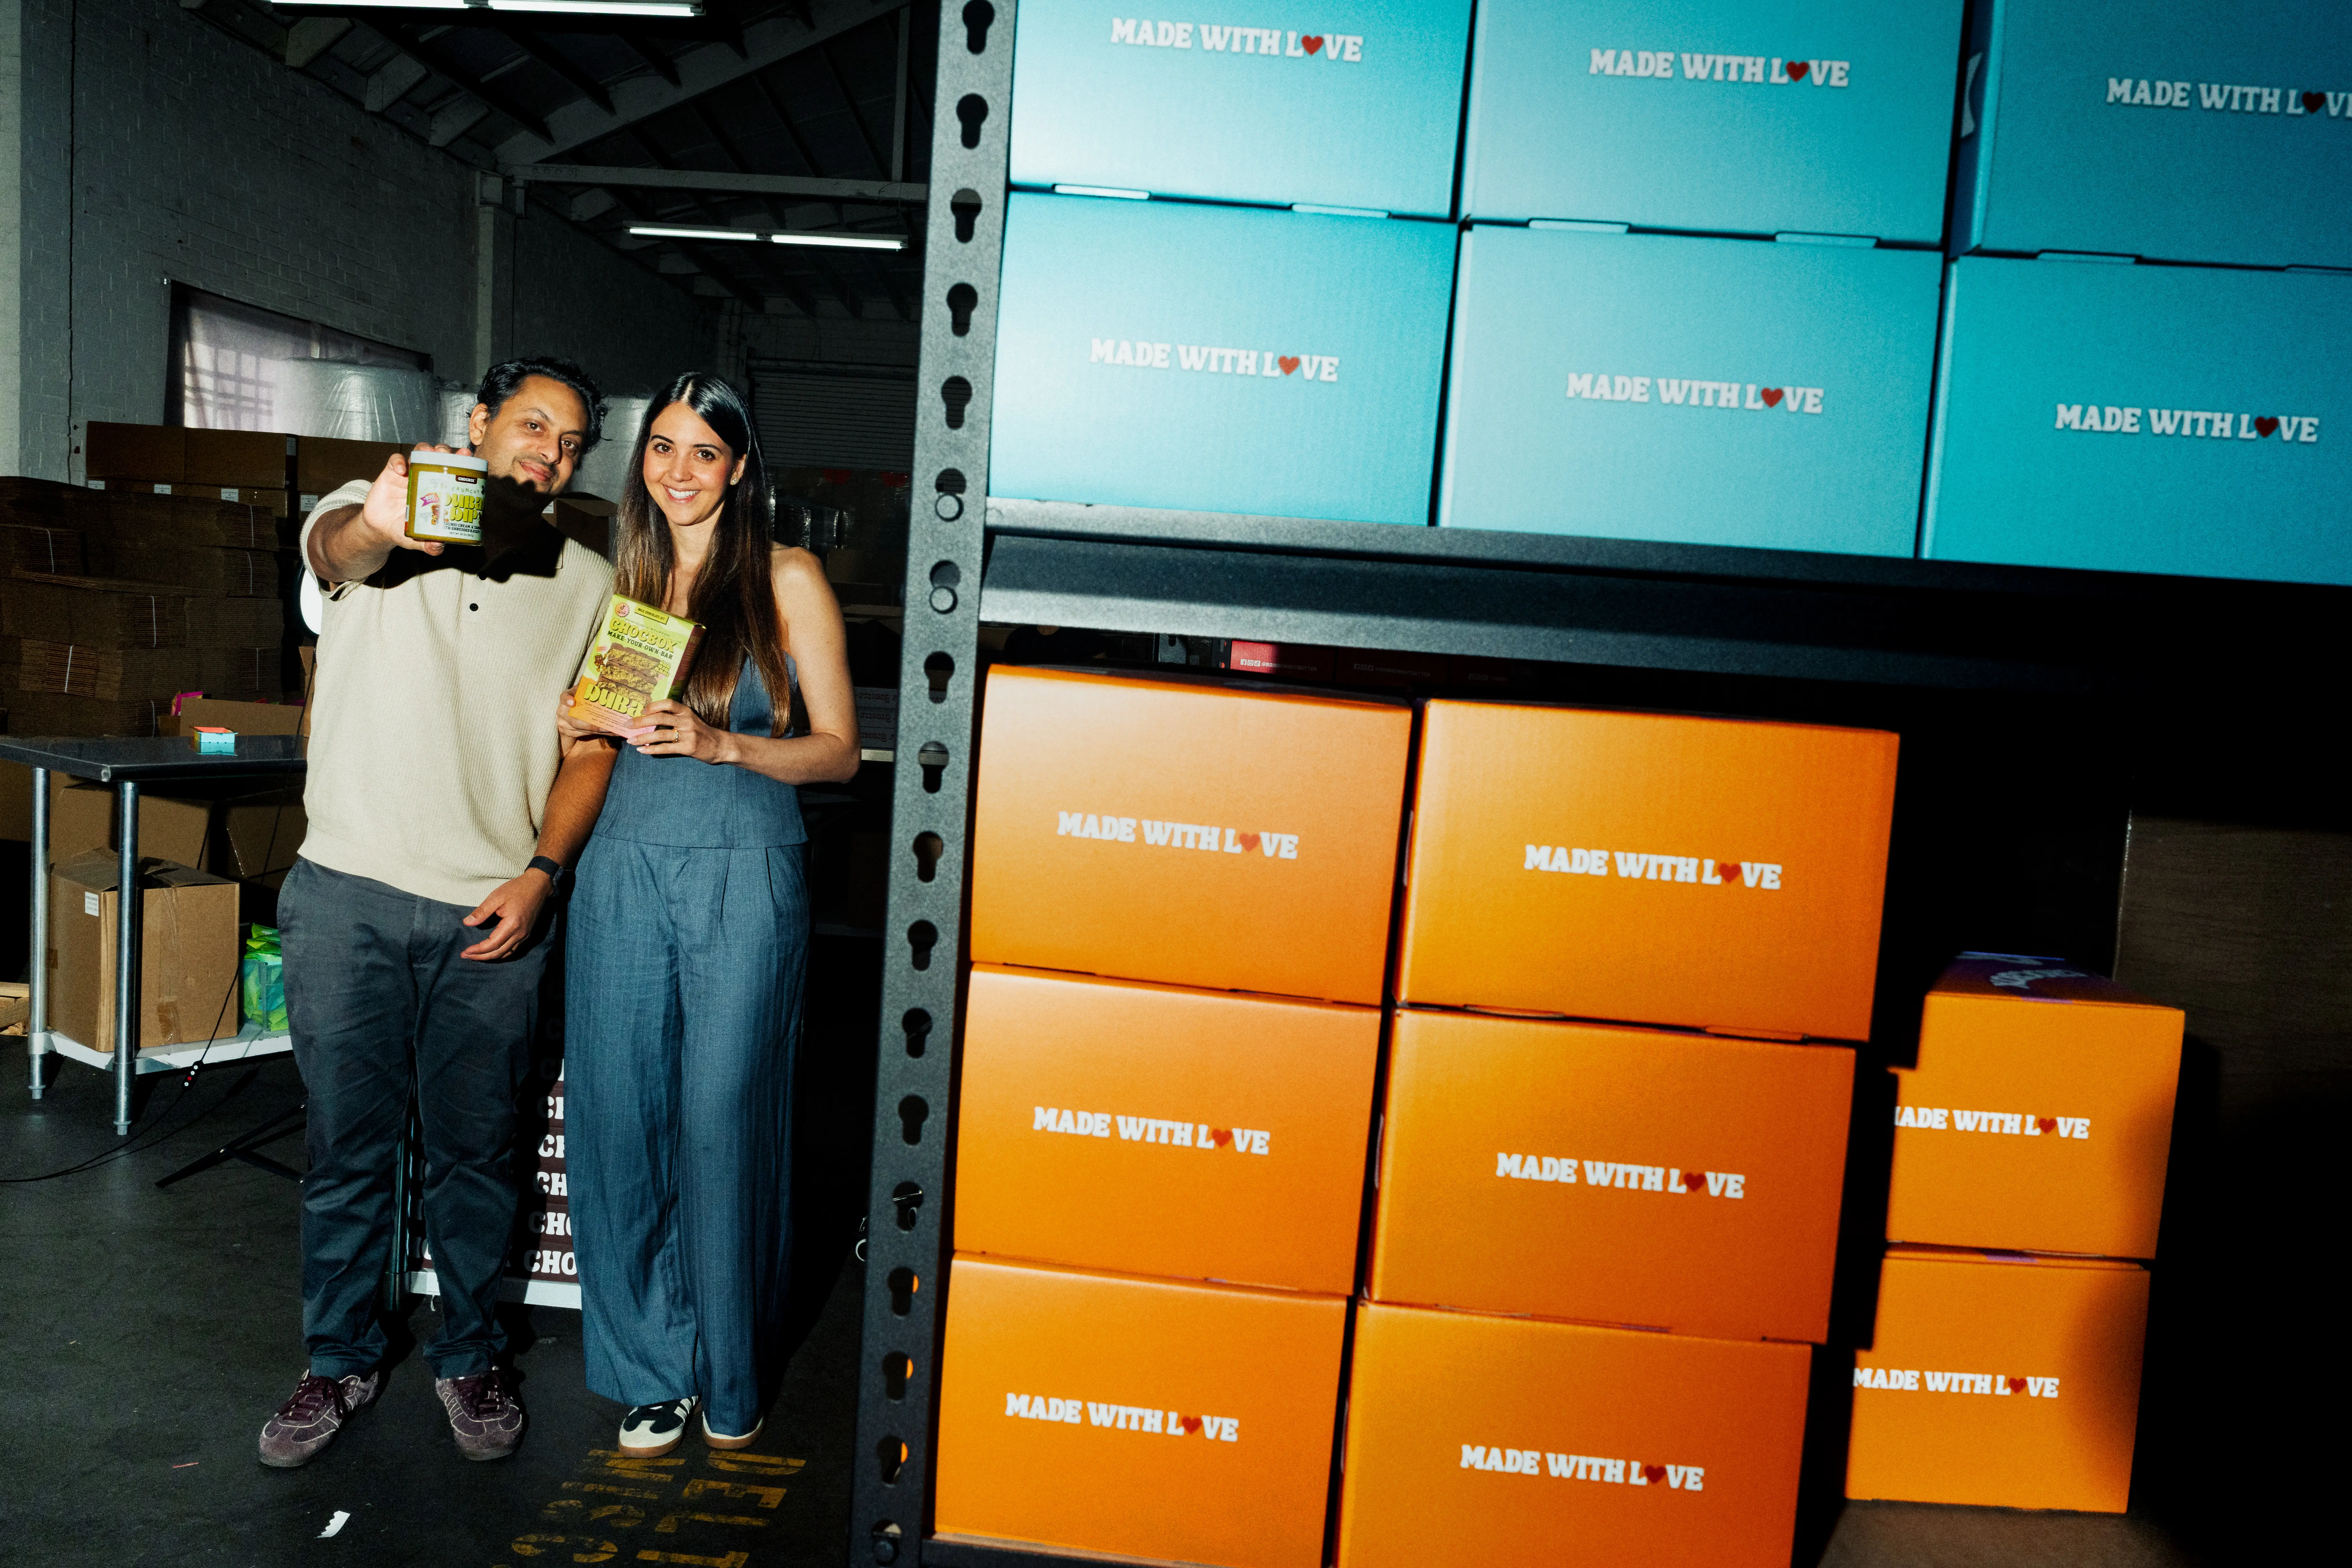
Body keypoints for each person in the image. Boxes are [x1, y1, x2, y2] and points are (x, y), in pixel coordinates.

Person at [260, 358, 619, 1468]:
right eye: (531, 424)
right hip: (348, 895)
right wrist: (383, 522)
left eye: (569, 440)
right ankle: (340, 1359)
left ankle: (469, 1357)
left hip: (489, 916)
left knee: (477, 1155)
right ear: (478, 423)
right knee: (348, 1152)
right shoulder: (367, 511)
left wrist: (543, 873)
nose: (549, 450)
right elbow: (333, 561)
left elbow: (592, 745)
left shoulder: (591, 581)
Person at [557, 372, 859, 1456]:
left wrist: (726, 741)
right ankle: (650, 1366)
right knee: (617, 1119)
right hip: (625, 867)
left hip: (744, 869)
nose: (677, 472)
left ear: (739, 468)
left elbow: (840, 750)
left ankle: (730, 1373)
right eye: (661, 449)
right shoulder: (628, 584)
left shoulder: (787, 577)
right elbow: (591, 747)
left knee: (723, 1122)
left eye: (703, 453)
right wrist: (573, 722)